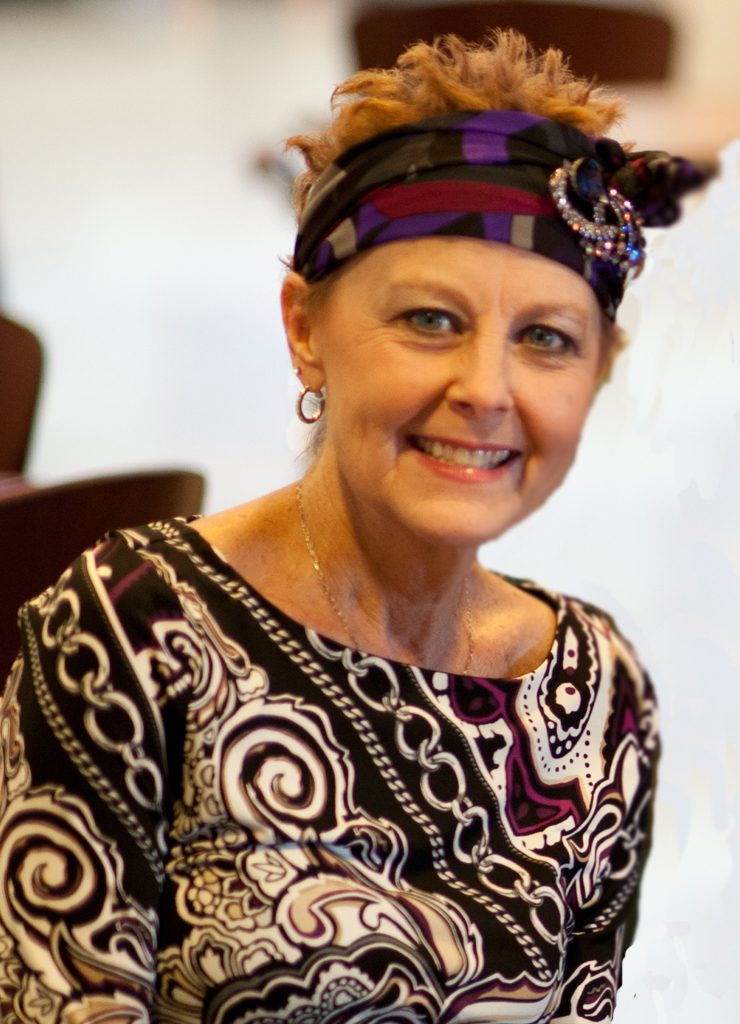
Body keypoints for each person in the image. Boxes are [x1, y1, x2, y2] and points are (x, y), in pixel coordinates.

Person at [0, 31, 708, 1024]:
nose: (486, 390)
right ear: (305, 329)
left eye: (546, 338)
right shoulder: (135, 629)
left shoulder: (594, 687)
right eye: (430, 320)